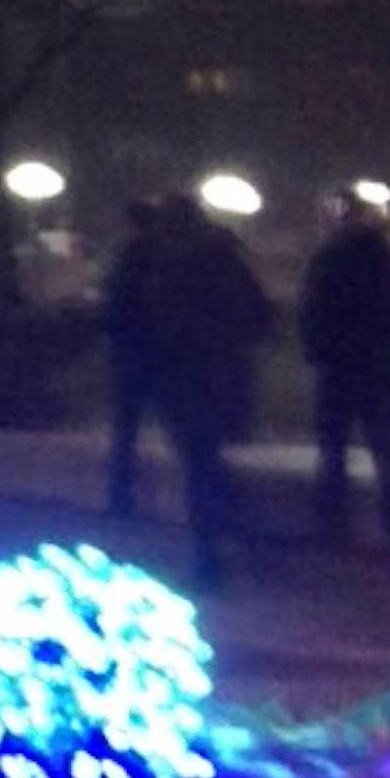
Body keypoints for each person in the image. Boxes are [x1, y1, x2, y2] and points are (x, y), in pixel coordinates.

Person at [141, 191, 275, 590]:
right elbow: (260, 316)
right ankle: (224, 535)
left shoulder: (171, 268)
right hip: (222, 377)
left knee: (198, 465)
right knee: (205, 461)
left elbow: (163, 329)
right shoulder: (224, 262)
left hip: (186, 382)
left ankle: (209, 554)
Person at [298, 198, 390, 549]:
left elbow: (312, 313)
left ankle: (332, 524)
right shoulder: (388, 261)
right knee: (385, 448)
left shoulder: (327, 261)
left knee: (332, 450)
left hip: (336, 366)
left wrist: (316, 352)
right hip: (378, 365)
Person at [99, 200, 163, 518]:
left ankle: (120, 496)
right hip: (160, 353)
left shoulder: (125, 260)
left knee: (125, 428)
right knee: (177, 426)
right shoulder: (162, 259)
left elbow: (112, 309)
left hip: (131, 354)